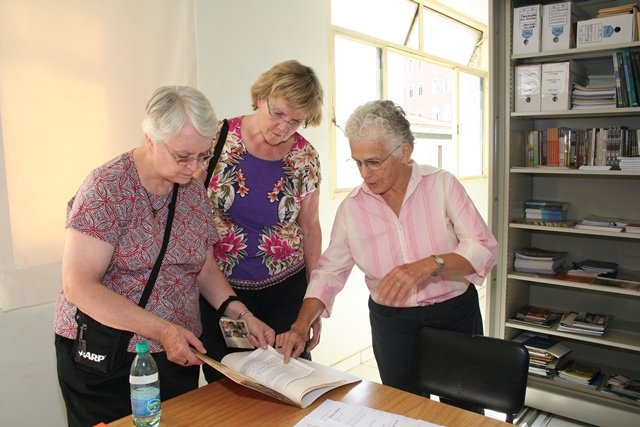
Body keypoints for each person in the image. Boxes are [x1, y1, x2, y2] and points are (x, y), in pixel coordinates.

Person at [54, 85, 275, 427]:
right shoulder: (107, 188)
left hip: (174, 354)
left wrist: (241, 313)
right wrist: (162, 330)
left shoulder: (192, 192)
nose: (196, 169)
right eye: (183, 156)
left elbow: (204, 270)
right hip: (107, 358)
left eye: (203, 156)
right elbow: (79, 286)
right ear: (151, 139)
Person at [276, 99, 498, 412]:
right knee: (405, 410)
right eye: (357, 162)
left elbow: (483, 245)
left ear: (405, 152)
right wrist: (301, 325)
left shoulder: (441, 185)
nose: (365, 173)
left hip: (454, 315)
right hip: (392, 324)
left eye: (374, 162)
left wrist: (429, 265)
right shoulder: (352, 209)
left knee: (464, 412)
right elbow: (329, 273)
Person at [198, 60, 324, 382]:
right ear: (259, 97)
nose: (283, 128)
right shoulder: (216, 140)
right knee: (229, 382)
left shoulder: (305, 157)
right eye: (278, 113)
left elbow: (310, 229)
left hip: (285, 289)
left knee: (287, 381)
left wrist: (313, 302)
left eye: (296, 121)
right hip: (223, 290)